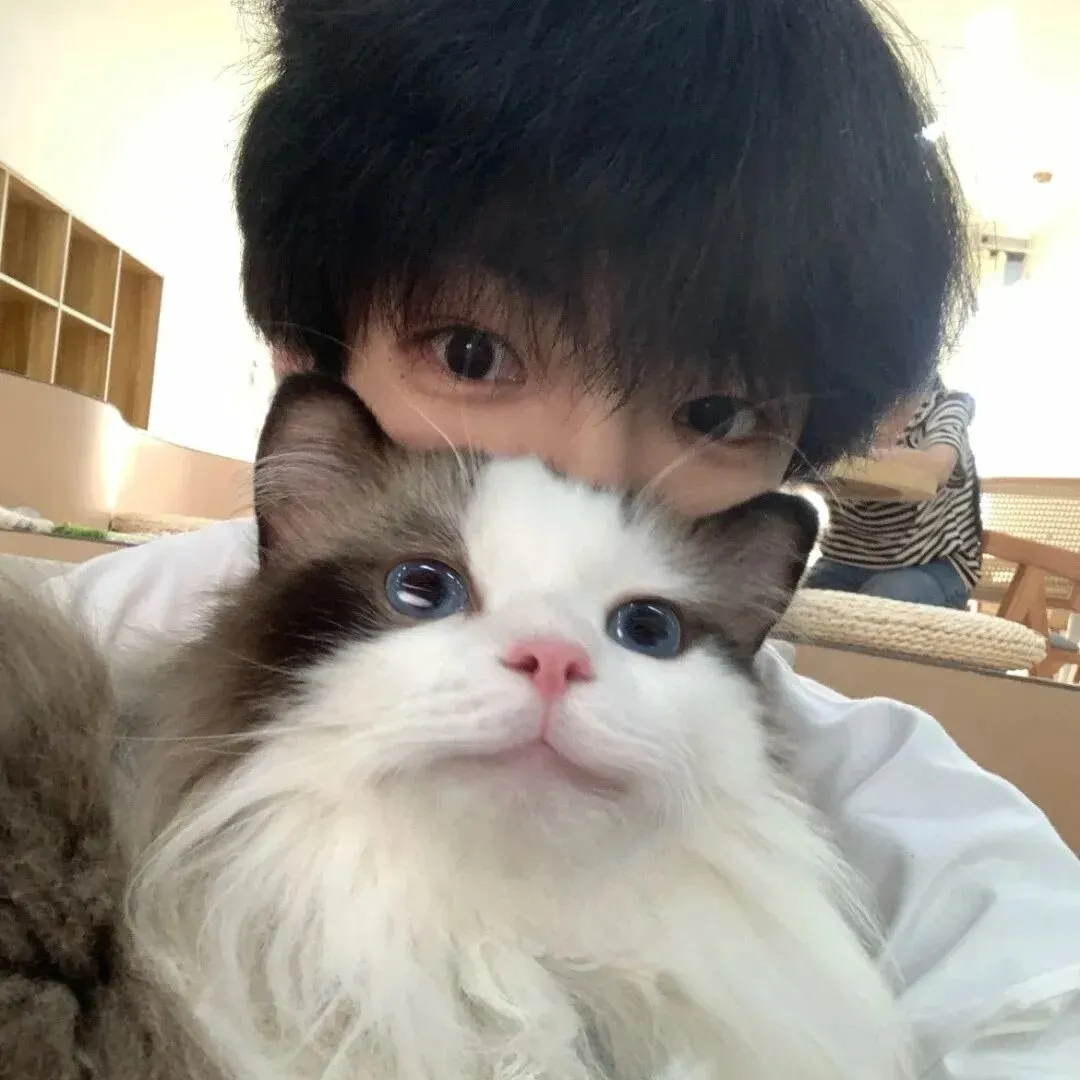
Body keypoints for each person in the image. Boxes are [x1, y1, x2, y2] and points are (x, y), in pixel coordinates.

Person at [44, 0, 1080, 1075]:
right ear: (307, 357)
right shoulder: (98, 637)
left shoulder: (886, 793)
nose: (585, 473)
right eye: (474, 353)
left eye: (717, 411)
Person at [806, 376, 982, 608]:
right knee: (795, 607)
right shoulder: (838, 405)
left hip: (930, 563)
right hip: (845, 560)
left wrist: (858, 456)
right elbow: (800, 458)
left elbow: (938, 468)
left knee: (876, 607)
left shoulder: (945, 405)